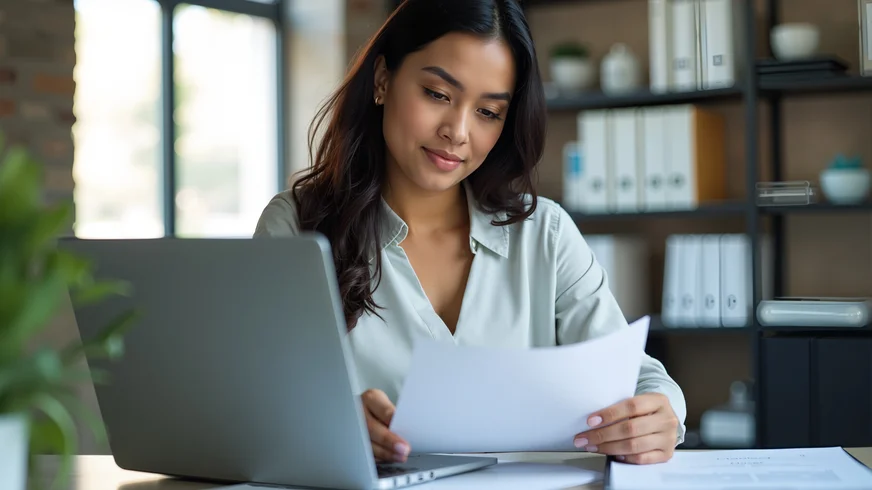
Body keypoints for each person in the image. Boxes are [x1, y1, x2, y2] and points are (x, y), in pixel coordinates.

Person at [254, 0, 686, 467]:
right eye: (438, 94)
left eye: (487, 112)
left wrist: (661, 415)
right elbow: (252, 398)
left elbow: (639, 380)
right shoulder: (297, 227)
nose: (457, 132)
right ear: (382, 80)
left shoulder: (544, 233)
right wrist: (328, 421)